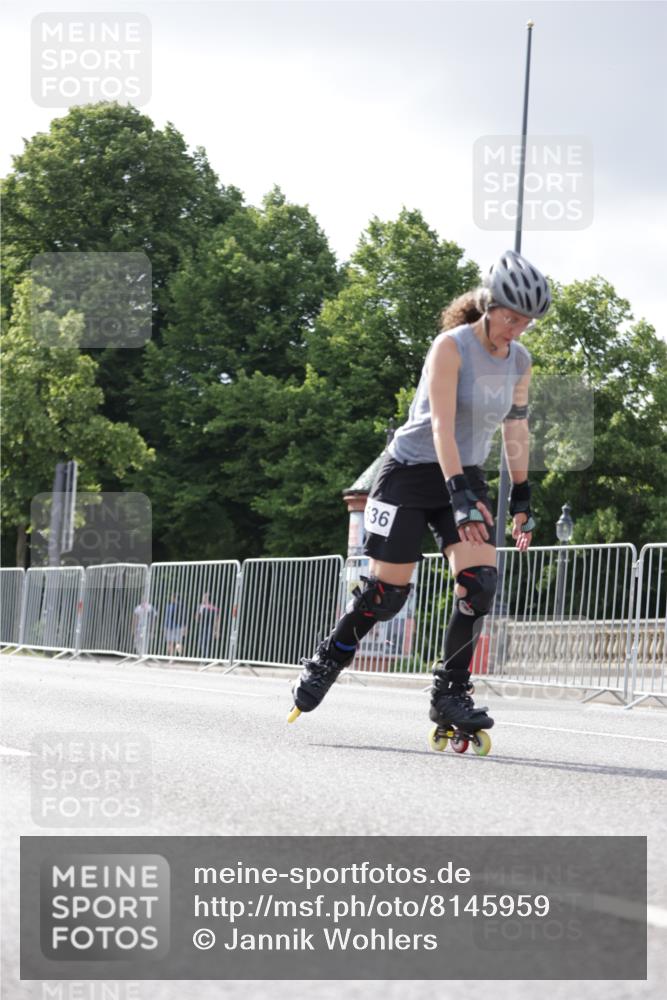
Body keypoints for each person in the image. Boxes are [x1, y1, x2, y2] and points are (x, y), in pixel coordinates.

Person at [290, 250, 550, 739]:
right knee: (387, 594)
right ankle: (328, 658)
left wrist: (521, 497)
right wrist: (458, 494)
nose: (516, 328)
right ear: (489, 304)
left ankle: (449, 693)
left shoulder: (520, 361)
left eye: (527, 322)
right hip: (410, 472)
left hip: (463, 474)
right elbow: (441, 430)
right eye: (510, 316)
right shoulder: (450, 347)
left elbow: (517, 430)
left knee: (480, 585)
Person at [196, 592, 220, 659]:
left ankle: (205, 658)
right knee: (208, 643)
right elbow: (217, 620)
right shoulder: (215, 608)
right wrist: (216, 631)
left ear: (206, 599)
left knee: (202, 643)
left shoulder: (201, 607)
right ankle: (206, 658)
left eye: (203, 597)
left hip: (203, 627)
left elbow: (198, 618)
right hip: (211, 627)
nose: (202, 598)